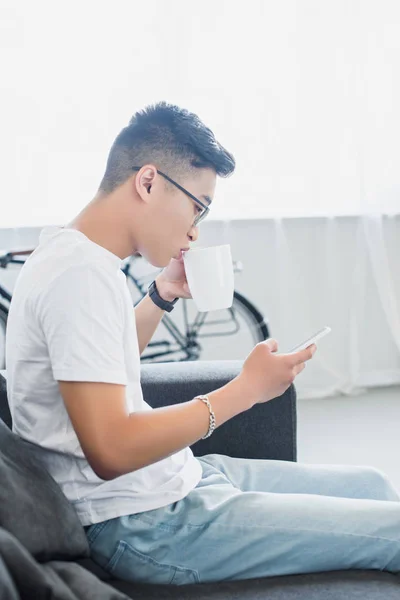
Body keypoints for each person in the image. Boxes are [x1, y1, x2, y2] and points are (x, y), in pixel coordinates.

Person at [6, 102, 400, 587]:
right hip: (145, 523)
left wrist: (162, 294)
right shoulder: (79, 277)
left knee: (374, 485)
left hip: (179, 479)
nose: (195, 229)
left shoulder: (71, 257)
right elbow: (110, 448)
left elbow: (103, 357)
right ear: (148, 182)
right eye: (198, 206)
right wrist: (246, 391)